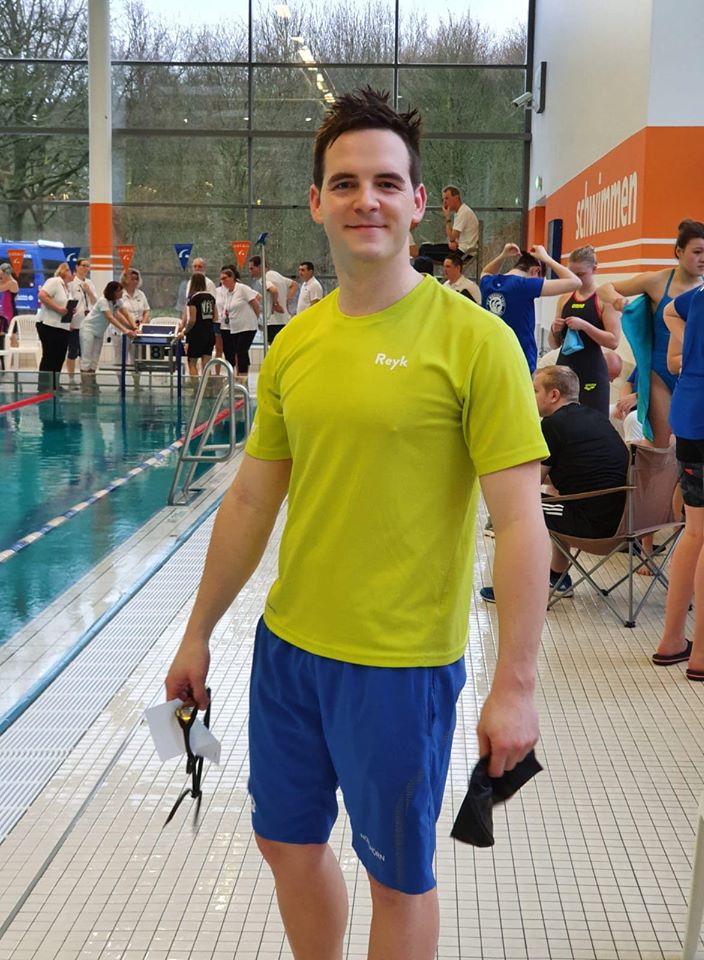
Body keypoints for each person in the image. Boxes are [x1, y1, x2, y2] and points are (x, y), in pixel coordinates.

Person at [165, 86, 549, 960]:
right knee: (283, 842)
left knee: (396, 878)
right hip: (288, 650)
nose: (364, 199)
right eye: (344, 183)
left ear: (418, 203)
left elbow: (522, 525)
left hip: (400, 665)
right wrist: (196, 633)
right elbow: (251, 499)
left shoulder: (476, 341)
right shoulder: (297, 342)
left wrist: (516, 684)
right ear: (316, 201)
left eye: (385, 182)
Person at [481, 365, 629, 604]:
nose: (530, 395)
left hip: (597, 526)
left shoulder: (553, 425)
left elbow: (530, 485)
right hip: (625, 518)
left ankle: (511, 588)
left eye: (535, 390)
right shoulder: (595, 418)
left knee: (516, 510)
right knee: (557, 502)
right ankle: (557, 578)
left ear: (553, 395)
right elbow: (574, 471)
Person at [652, 264, 704, 679]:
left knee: (695, 533)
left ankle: (672, 641)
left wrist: (691, 348)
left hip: (690, 414)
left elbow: (669, 311)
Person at [597, 219, 704, 447]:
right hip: (659, 372)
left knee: (690, 443)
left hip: (692, 372)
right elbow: (604, 288)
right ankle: (641, 464)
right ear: (679, 251)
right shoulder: (657, 281)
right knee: (661, 443)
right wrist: (616, 300)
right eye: (697, 252)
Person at [480, 243, 581, 373]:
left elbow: (486, 271)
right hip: (519, 360)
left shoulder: (488, 283)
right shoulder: (524, 285)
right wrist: (546, 258)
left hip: (490, 358)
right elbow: (575, 282)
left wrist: (503, 256)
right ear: (535, 271)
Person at [549, 245, 621, 414]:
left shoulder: (604, 299)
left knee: (594, 423)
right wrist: (554, 329)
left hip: (592, 370)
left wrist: (585, 326)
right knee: (559, 423)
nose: (576, 279)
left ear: (594, 270)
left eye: (581, 274)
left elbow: (614, 341)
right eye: (572, 274)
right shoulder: (565, 298)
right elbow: (554, 344)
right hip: (565, 368)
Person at [79, 281, 138, 376]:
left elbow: (126, 314)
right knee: (87, 357)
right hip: (88, 329)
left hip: (99, 332)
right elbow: (110, 317)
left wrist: (134, 327)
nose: (122, 292)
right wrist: (126, 331)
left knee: (95, 358)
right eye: (119, 291)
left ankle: (91, 379)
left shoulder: (118, 301)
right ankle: (86, 382)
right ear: (113, 292)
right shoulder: (103, 301)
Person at [215, 264, 260, 385]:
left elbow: (255, 302)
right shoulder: (227, 293)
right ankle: (235, 376)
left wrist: (256, 317)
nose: (222, 281)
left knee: (241, 351)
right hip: (234, 327)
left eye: (224, 278)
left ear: (232, 278)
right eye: (221, 279)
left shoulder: (242, 288)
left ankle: (243, 378)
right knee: (232, 352)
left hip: (247, 326)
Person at [418, 184, 479, 263]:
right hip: (459, 248)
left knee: (424, 251)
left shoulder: (463, 212)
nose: (445, 202)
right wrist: (452, 242)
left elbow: (452, 237)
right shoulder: (459, 212)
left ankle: (423, 271)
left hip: (464, 252)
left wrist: (447, 217)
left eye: (447, 198)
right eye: (443, 199)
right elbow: (454, 237)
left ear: (456, 198)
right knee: (424, 247)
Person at [36, 262, 76, 374]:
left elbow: (64, 306)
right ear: (65, 271)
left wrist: (70, 313)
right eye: (72, 272)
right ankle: (45, 383)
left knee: (59, 357)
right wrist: (58, 309)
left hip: (62, 326)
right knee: (50, 357)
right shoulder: (55, 281)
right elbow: (42, 295)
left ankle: (54, 382)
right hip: (49, 324)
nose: (74, 275)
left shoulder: (68, 288)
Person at [248, 256, 297, 344]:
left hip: (272, 322)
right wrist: (286, 299)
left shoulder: (264, 279)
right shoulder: (276, 275)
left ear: (260, 267)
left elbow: (273, 290)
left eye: (252, 268)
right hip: (284, 320)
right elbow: (294, 284)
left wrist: (275, 304)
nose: (250, 271)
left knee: (272, 348)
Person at [180, 272, 218, 376]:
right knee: (206, 365)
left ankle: (195, 385)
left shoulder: (193, 298)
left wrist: (185, 331)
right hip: (209, 334)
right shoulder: (211, 297)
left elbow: (192, 320)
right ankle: (206, 385)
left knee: (192, 363)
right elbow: (216, 317)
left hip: (196, 335)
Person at [66, 257, 98, 382]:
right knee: (72, 352)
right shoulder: (71, 284)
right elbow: (68, 303)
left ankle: (85, 379)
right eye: (83, 265)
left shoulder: (90, 283)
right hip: (75, 323)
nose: (86, 268)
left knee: (86, 353)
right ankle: (71, 379)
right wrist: (68, 322)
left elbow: (95, 302)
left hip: (88, 323)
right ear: (77, 267)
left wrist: (88, 291)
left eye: (88, 266)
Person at [0, 263, 18, 370]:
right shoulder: (6, 281)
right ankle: (9, 360)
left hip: (11, 312)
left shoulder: (12, 283)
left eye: (2, 274)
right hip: (6, 312)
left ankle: (14, 360)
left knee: (12, 336)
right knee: (8, 335)